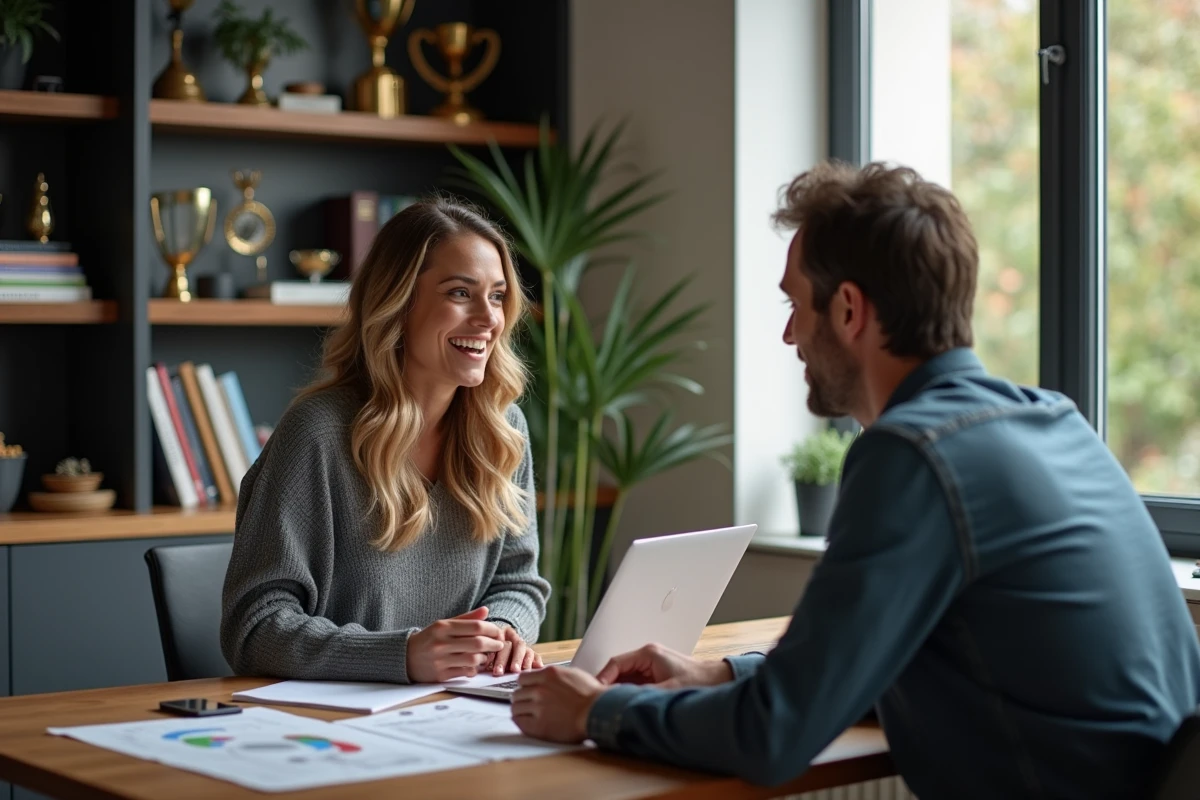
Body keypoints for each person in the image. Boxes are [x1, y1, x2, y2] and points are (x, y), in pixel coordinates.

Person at [510, 161, 1200, 799]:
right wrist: (720, 673)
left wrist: (598, 710)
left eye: (796, 305)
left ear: (848, 309)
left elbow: (773, 735)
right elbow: (881, 661)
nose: (789, 336)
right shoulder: (1052, 420)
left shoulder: (912, 455)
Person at [221, 198, 550, 685]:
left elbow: (518, 582)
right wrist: (401, 655)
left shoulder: (503, 429)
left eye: (498, 296)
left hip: (457, 706)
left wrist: (500, 633)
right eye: (461, 293)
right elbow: (254, 628)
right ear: (398, 302)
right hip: (331, 720)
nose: (489, 319)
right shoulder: (317, 434)